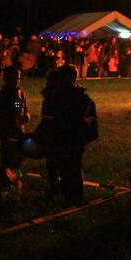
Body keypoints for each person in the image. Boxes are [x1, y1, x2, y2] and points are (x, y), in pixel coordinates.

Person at [36, 64, 97, 206]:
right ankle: (68, 194)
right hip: (67, 138)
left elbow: (52, 119)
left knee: (69, 167)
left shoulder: (70, 97)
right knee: (67, 167)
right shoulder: (76, 96)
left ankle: (73, 198)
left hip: (67, 138)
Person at [0, 66, 31, 190]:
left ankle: (15, 180)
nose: (17, 81)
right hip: (8, 132)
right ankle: (5, 183)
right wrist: (13, 119)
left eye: (18, 78)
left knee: (18, 159)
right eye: (14, 78)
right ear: (6, 79)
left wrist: (25, 115)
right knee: (8, 158)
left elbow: (23, 109)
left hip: (19, 131)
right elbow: (0, 116)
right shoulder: (1, 96)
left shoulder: (20, 94)